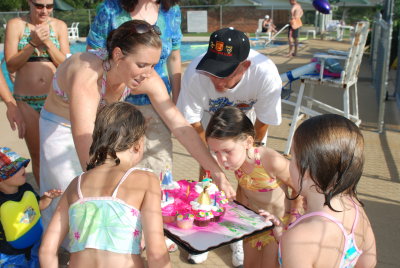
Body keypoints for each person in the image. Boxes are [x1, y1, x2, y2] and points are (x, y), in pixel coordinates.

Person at [39, 20, 235, 249]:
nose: (148, 74)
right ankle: (67, 253)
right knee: (71, 195)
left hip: (101, 128)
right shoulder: (88, 74)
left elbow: (180, 126)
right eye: (142, 64)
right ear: (118, 55)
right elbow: (86, 148)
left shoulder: (145, 76)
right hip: (61, 128)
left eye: (153, 65)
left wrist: (215, 170)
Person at [176, 27, 282, 265]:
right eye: (213, 71)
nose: (216, 80)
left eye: (224, 74)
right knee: (207, 173)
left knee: (249, 177)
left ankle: (239, 237)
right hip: (209, 121)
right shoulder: (195, 74)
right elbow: (192, 122)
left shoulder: (266, 74)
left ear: (244, 66)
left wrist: (247, 155)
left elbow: (264, 121)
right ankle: (204, 231)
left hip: (249, 124)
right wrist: (213, 160)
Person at [39, 102, 171, 268]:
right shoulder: (146, 180)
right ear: (138, 145)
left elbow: (46, 250)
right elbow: (156, 253)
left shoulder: (76, 184)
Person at [261, 114, 377, 267]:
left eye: (293, 156)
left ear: (306, 170)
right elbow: (368, 262)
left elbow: (302, 247)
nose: (288, 162)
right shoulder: (356, 208)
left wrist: (288, 241)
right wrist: (284, 237)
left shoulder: (299, 239)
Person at [87, 0, 182, 176]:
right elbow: (93, 55)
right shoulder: (109, 9)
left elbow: (174, 57)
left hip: (158, 104)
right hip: (117, 105)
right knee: (117, 167)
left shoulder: (171, 11)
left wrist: (176, 101)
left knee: (159, 170)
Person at [205, 106, 302, 268]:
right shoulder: (238, 163)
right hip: (254, 224)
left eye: (227, 151)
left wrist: (292, 222)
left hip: (279, 225)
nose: (222, 160)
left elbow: (300, 187)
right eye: (216, 153)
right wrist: (235, 214)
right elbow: (243, 187)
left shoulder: (270, 161)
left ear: (248, 142)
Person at [4, 0, 70, 187]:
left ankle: (61, 196)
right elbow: (11, 64)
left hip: (54, 100)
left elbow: (65, 65)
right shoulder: (16, 25)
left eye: (49, 6)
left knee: (58, 153)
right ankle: (45, 202)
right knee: (39, 156)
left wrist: (47, 42)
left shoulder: (59, 26)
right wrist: (32, 43)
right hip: (26, 101)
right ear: (29, 3)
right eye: (39, 6)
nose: (44, 10)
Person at [0, 147, 62, 267]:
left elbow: (35, 207)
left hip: (34, 245)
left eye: (22, 165)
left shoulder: (26, 188)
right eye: (16, 169)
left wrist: (47, 198)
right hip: (10, 255)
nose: (23, 168)